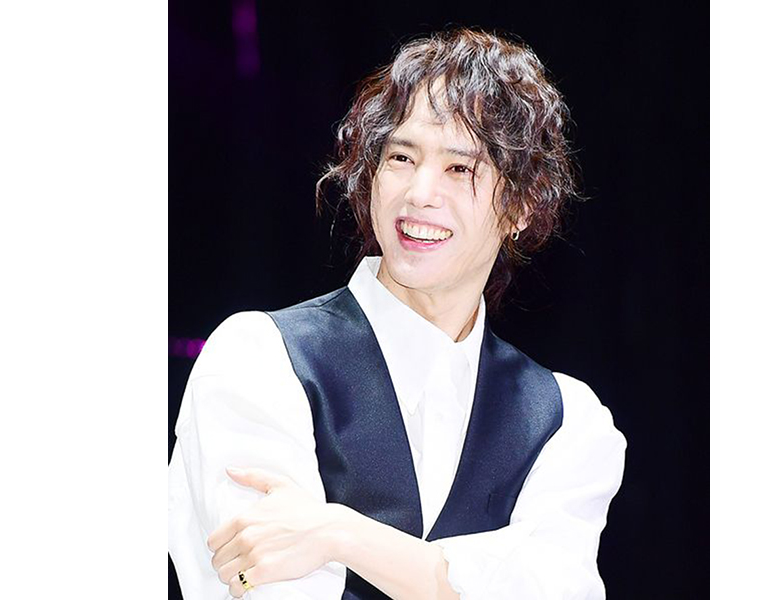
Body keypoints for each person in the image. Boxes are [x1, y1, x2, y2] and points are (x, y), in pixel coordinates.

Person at [168, 27, 627, 600]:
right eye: (401, 158)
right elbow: (258, 581)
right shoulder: (261, 357)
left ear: (522, 205)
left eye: (459, 168)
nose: (419, 192)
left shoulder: (564, 419)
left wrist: (339, 533)